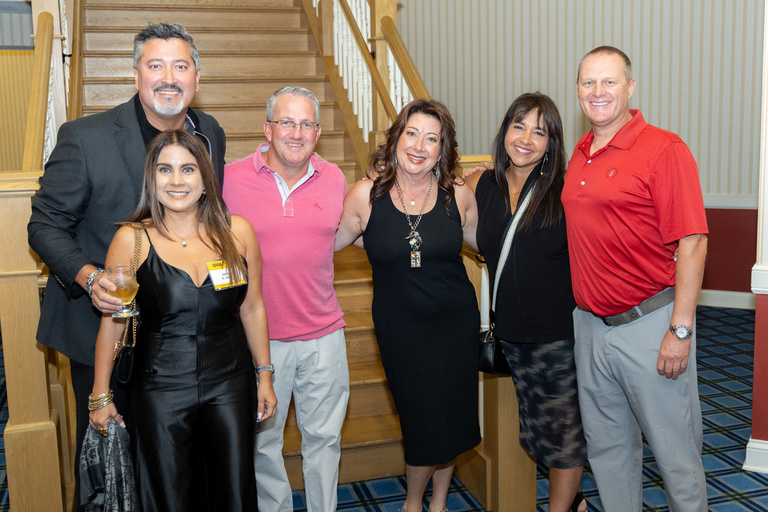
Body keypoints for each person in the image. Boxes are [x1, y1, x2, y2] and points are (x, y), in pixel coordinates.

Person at [27, 22, 226, 509]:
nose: (168, 77)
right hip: (105, 335)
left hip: (176, 342)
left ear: (196, 77)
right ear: (135, 73)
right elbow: (44, 225)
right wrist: (88, 276)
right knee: (109, 465)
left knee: (172, 465)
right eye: (155, 65)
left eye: (180, 66)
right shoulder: (86, 137)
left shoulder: (211, 134)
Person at [88, 129, 275, 511]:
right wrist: (100, 395)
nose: (176, 181)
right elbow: (114, 321)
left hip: (231, 383)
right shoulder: (131, 239)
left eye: (188, 169)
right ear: (151, 180)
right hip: (160, 389)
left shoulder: (238, 233)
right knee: (170, 494)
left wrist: (265, 375)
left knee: (233, 488)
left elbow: (252, 307)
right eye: (165, 170)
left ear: (206, 179)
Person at [561, 46, 708, 511]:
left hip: (650, 325)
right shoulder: (579, 154)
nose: (597, 92)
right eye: (588, 82)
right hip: (589, 327)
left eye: (609, 82)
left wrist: (679, 331)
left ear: (630, 88)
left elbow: (693, 242)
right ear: (578, 90)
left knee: (675, 457)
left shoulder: (664, 148)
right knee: (608, 453)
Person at [336, 98, 480, 512]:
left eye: (431, 139)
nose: (419, 146)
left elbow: (488, 243)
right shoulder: (366, 195)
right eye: (412, 133)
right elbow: (328, 242)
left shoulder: (458, 195)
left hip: (456, 325)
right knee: (421, 421)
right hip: (401, 330)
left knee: (450, 416)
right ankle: (412, 503)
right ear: (397, 138)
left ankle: (437, 502)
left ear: (442, 149)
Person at [223, 86, 349, 512]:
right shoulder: (229, 178)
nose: (297, 133)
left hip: (324, 336)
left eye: (307, 124)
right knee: (263, 445)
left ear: (318, 132)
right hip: (259, 341)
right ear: (268, 128)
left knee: (325, 441)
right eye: (287, 122)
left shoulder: (334, 179)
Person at [465, 92, 587, 512]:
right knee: (536, 433)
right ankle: (576, 504)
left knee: (562, 437)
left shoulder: (565, 190)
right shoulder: (482, 184)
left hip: (556, 339)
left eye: (540, 131)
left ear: (551, 143)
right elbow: (468, 233)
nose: (526, 139)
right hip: (510, 335)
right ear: (505, 132)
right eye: (519, 126)